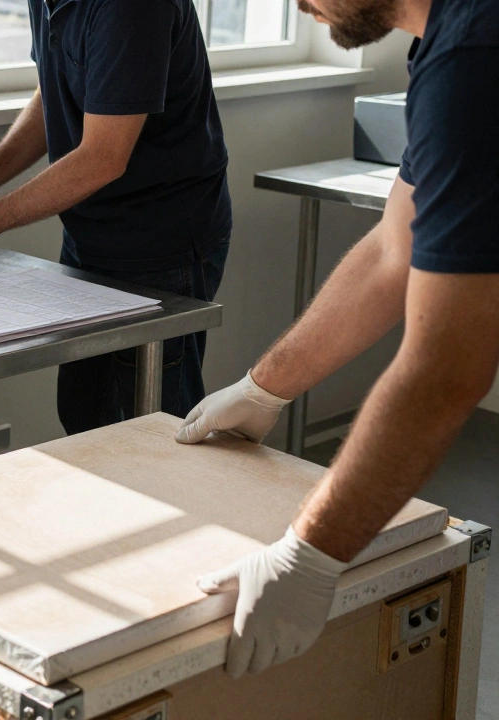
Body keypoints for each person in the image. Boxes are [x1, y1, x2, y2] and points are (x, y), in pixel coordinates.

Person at [174, 0, 499, 678]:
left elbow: (448, 368)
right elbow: (393, 250)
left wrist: (309, 555)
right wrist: (265, 385)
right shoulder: (450, 43)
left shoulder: (475, 55)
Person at [0, 0, 233, 435]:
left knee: (155, 432)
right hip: (90, 234)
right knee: (86, 415)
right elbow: (57, 89)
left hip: (160, 242)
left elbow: (103, 158)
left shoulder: (133, 9)